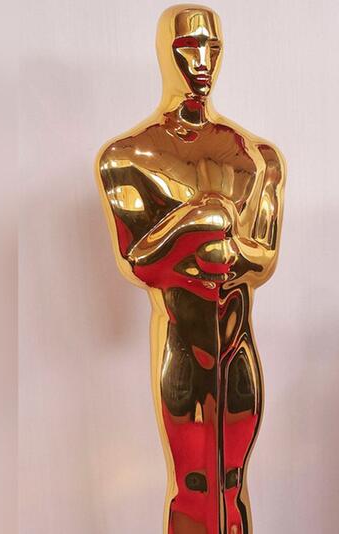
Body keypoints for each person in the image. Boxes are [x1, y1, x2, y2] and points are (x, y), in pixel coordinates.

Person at [95, 6, 285, 533]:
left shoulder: (257, 156)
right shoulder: (128, 156)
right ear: (165, 52)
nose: (202, 62)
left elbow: (263, 258)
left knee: (233, 480)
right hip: (183, 343)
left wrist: (228, 250)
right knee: (191, 483)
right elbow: (138, 264)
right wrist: (196, 224)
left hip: (237, 342)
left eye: (212, 48)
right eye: (188, 48)